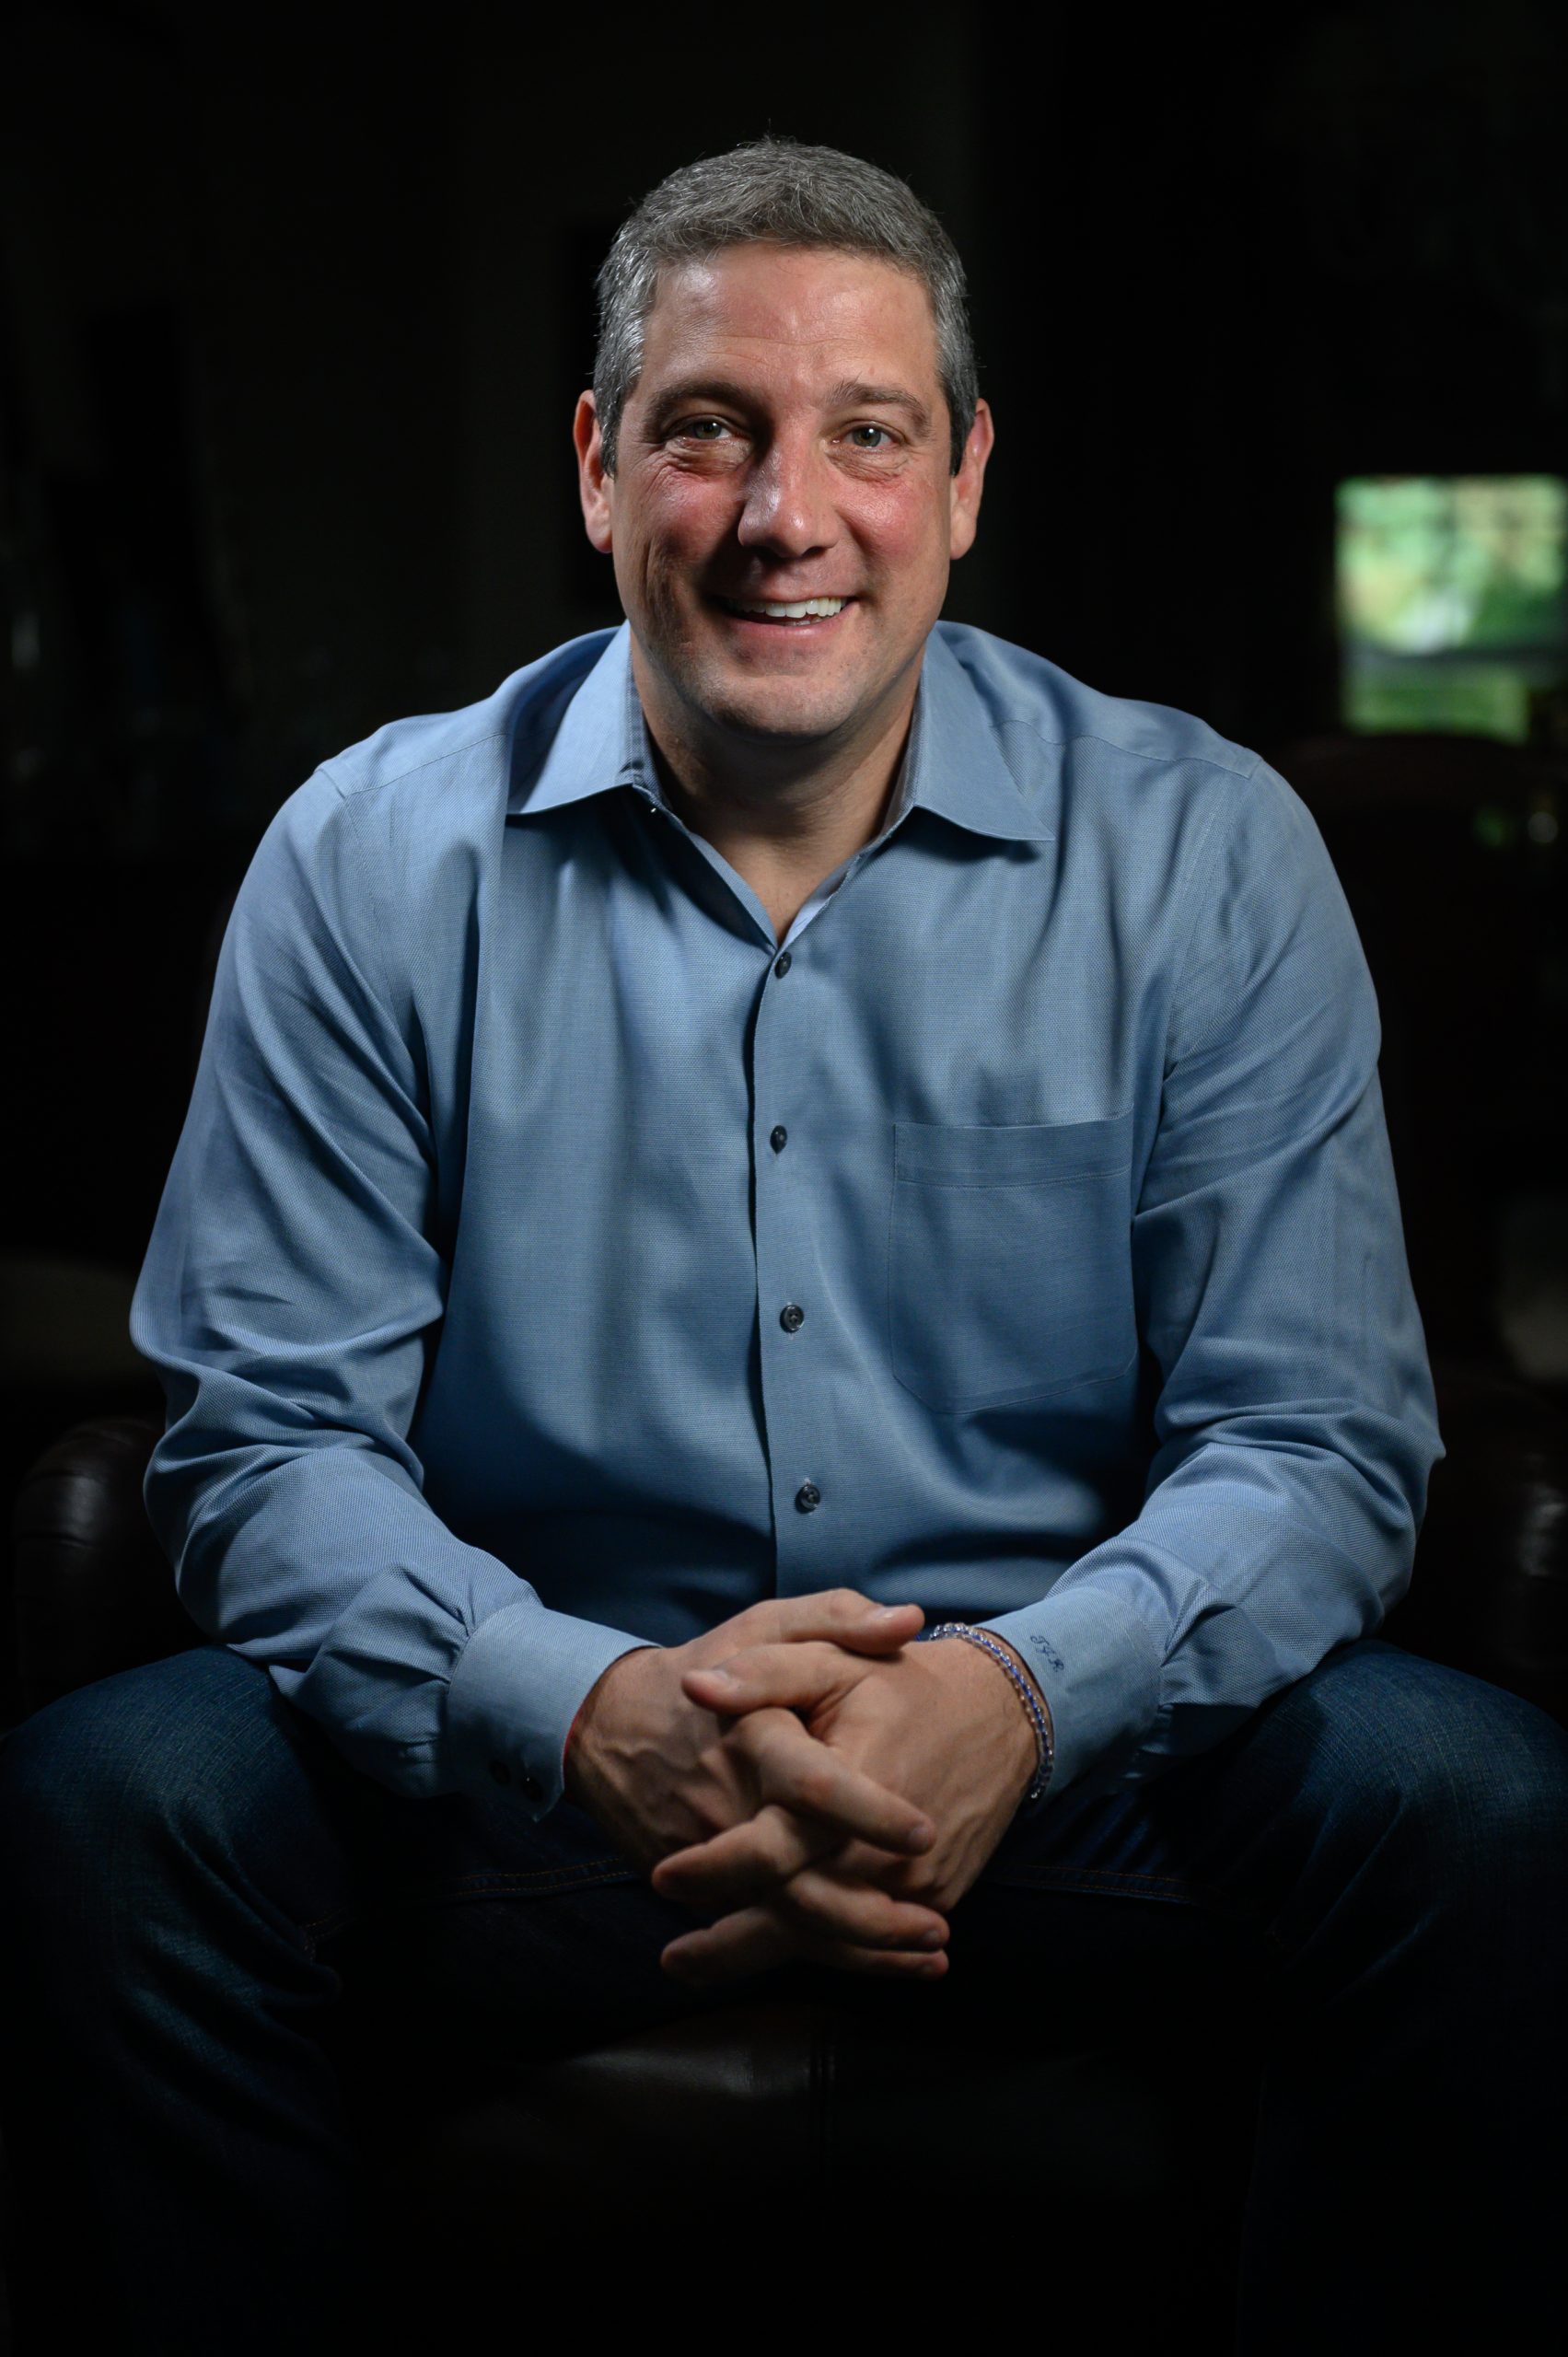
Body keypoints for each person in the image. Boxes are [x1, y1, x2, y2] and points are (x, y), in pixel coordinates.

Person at [2, 136, 1564, 2352]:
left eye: (867, 432)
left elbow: (1311, 1434)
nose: (783, 513)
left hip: (1079, 1775)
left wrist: (1013, 1699)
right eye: (708, 427)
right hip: (527, 1783)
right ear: (597, 463)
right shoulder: (364, 857)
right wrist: (588, 1710)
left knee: (1478, 1806)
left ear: (968, 474)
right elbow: (268, 1441)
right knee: (107, 1796)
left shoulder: (1207, 847)